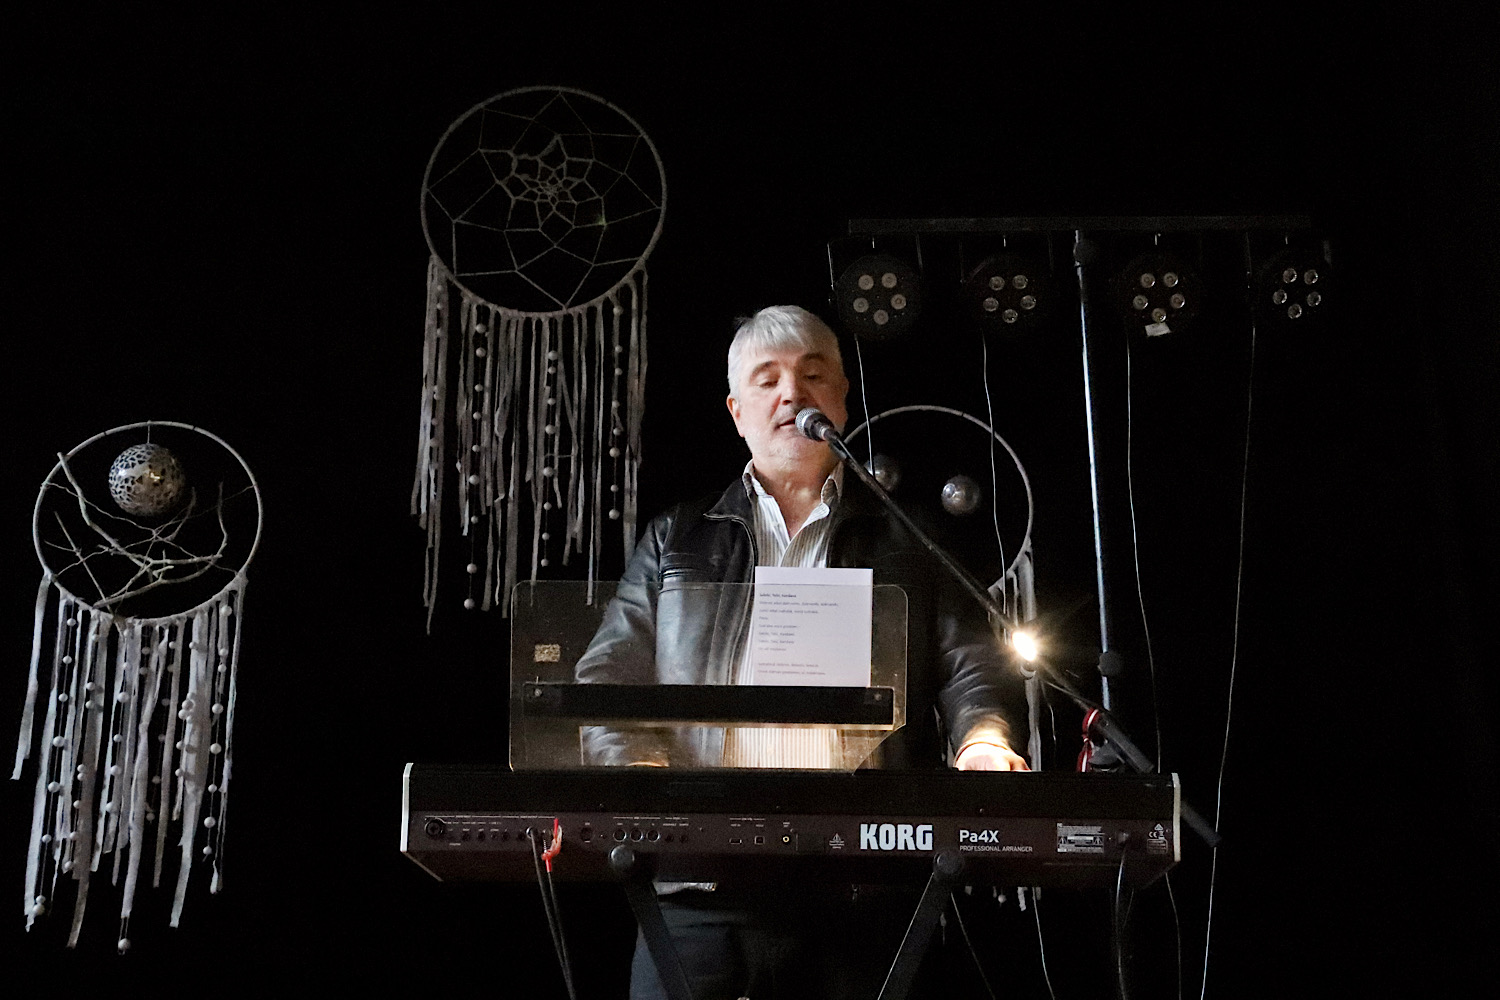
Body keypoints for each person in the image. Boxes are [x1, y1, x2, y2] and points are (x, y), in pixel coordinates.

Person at [574, 305, 1030, 998]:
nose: (792, 394)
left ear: (841, 401)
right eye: (768, 380)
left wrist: (984, 743)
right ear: (737, 411)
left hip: (862, 886)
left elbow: (974, 668)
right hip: (699, 888)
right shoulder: (677, 536)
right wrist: (645, 779)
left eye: (813, 376)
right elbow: (606, 677)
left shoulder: (910, 538)